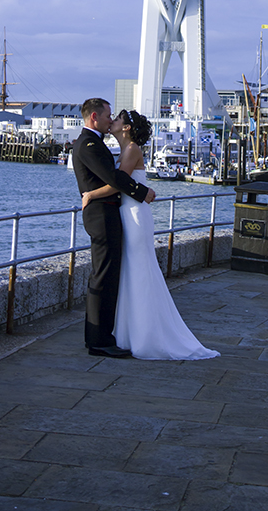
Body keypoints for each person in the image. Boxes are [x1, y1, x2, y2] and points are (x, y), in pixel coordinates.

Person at [82, 108, 220, 361]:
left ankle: (144, 334)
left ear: (126, 128)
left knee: (139, 269)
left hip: (134, 215)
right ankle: (128, 332)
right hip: (128, 212)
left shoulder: (131, 149)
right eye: (110, 116)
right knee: (130, 271)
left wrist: (90, 194)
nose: (112, 121)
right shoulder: (126, 149)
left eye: (117, 119)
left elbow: (117, 183)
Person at [72, 98, 155, 358]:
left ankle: (101, 337)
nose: (111, 120)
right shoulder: (88, 144)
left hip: (108, 213)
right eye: (109, 115)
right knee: (103, 277)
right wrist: (142, 191)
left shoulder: (94, 142)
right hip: (101, 216)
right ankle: (99, 341)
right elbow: (113, 178)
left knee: (107, 276)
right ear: (94, 117)